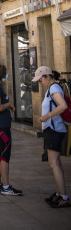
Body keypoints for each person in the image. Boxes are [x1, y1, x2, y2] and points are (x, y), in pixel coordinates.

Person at [34, 66, 70, 208]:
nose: (39, 83)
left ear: (47, 76)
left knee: (54, 164)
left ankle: (64, 197)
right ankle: (60, 193)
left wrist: (46, 117)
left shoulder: (54, 88)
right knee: (56, 163)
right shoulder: (52, 89)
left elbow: (63, 106)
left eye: (40, 79)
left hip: (55, 131)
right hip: (52, 130)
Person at [0, 64, 22, 196]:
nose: (5, 76)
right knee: (5, 156)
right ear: (0, 74)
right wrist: (8, 105)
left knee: (0, 155)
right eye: (4, 74)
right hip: (0, 126)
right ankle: (6, 187)